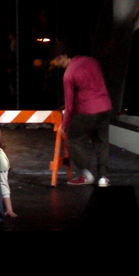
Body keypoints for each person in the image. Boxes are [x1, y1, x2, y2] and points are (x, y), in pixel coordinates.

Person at [51, 44, 113, 187]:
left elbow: (69, 105)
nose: (58, 64)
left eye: (58, 60)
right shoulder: (92, 61)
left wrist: (64, 125)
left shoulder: (69, 74)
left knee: (74, 140)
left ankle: (85, 174)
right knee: (102, 142)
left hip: (87, 111)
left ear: (64, 56)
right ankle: (103, 178)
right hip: (105, 107)